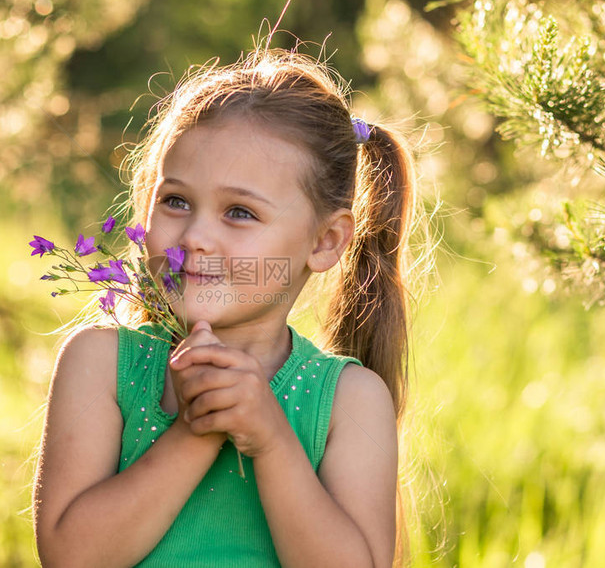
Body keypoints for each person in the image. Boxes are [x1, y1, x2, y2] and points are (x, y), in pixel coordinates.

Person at [33, 45, 416, 568]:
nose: (195, 236)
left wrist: (273, 439)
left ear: (325, 242)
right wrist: (195, 431)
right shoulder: (102, 363)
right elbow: (72, 557)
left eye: (239, 212)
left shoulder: (347, 400)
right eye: (176, 201)